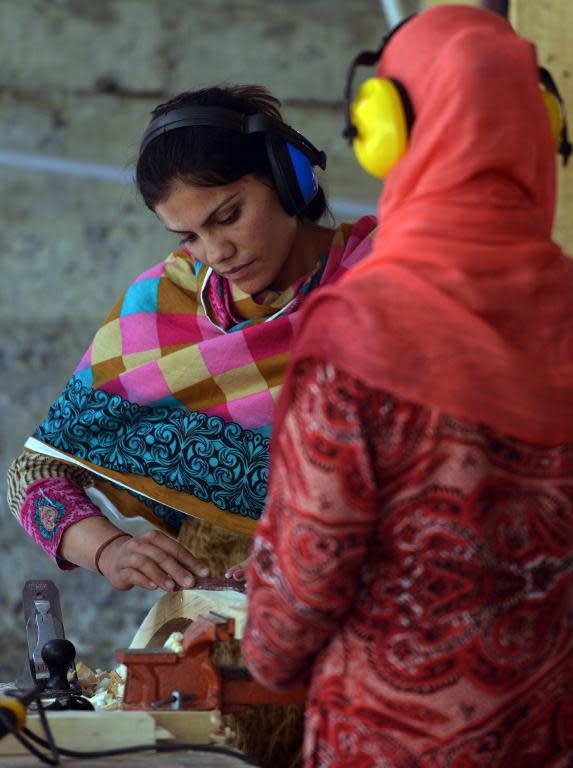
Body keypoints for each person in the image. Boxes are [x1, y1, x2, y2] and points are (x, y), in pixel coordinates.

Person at [243, 6, 573, 767]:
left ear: (387, 130)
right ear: (539, 126)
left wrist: (261, 657)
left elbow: (305, 580)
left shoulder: (360, 333)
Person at [7, 83, 375, 590]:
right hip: (219, 621)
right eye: (189, 237)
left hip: (369, 608)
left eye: (228, 217)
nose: (216, 252)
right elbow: (33, 476)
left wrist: (310, 556)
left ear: (288, 178)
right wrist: (111, 551)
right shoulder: (162, 302)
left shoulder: (391, 284)